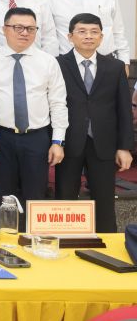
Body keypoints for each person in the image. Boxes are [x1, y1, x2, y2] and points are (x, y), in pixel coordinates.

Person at [0, 7, 68, 225]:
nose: (25, 33)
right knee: (3, 196)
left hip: (37, 137)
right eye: (18, 27)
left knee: (35, 195)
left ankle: (33, 239)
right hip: (2, 137)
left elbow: (58, 103)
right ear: (4, 29)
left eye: (31, 29)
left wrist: (57, 141)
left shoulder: (48, 62)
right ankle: (3, 239)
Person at [55, 13, 133, 233]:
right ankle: (65, 242)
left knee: (104, 200)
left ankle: (106, 245)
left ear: (101, 37)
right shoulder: (57, 64)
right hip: (69, 142)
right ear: (70, 36)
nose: (88, 36)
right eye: (82, 31)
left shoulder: (115, 67)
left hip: (104, 143)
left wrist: (124, 147)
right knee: (65, 198)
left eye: (94, 32)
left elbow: (123, 109)